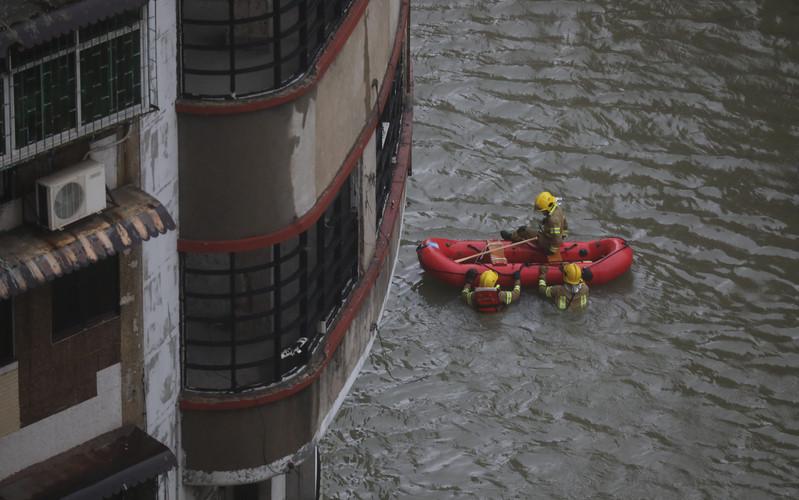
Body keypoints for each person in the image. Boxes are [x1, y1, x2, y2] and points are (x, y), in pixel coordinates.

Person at [501, 191, 568, 255]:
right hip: (550, 238)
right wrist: (563, 236)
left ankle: (511, 237)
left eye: (543, 210)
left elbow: (556, 237)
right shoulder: (558, 209)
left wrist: (551, 250)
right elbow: (565, 224)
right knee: (534, 231)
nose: (542, 212)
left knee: (524, 230)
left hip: (549, 243)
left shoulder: (552, 220)